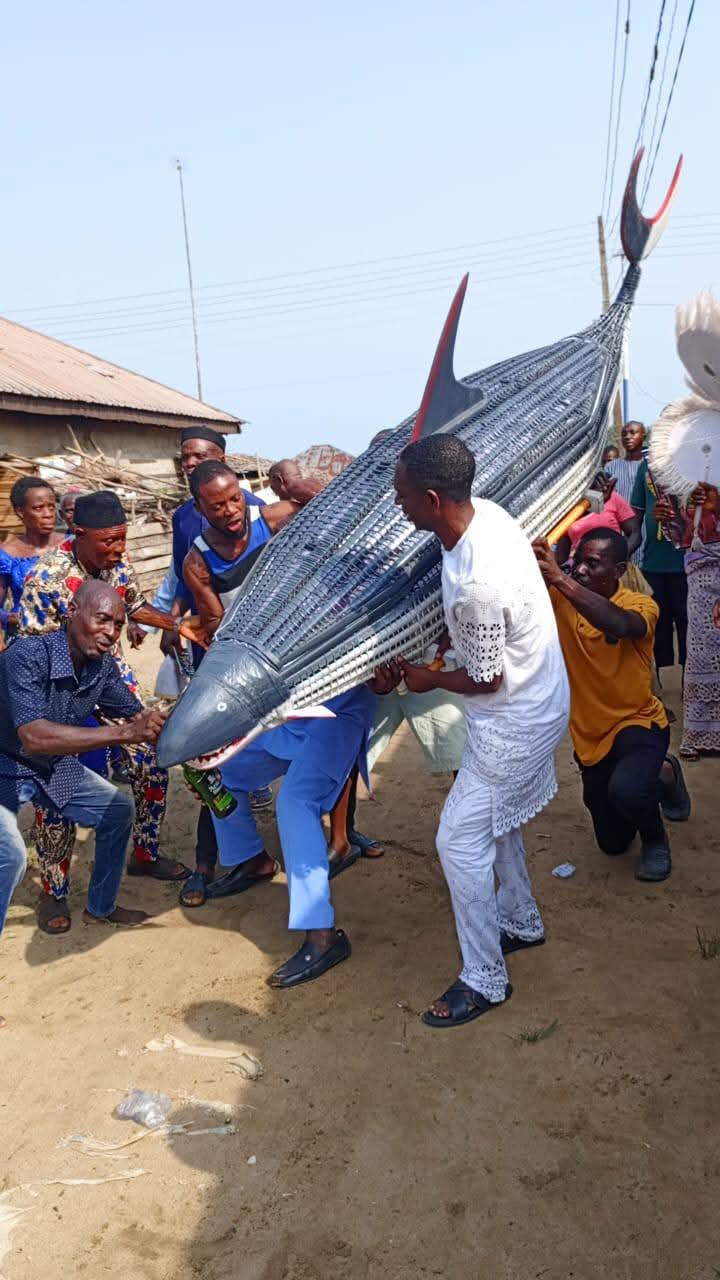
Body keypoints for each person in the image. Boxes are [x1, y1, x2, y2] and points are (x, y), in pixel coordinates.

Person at [388, 435, 569, 1029]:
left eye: (405, 495)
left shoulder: (475, 582)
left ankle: (485, 978)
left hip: (515, 718)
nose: (398, 503)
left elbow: (486, 679)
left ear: (435, 499)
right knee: (495, 818)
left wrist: (425, 677)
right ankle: (520, 920)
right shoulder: (487, 514)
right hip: (540, 694)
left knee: (457, 839)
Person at [19, 491, 195, 923]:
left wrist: (179, 624)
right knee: (55, 789)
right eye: (110, 541)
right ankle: (54, 892)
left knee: (152, 757)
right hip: (57, 688)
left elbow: (134, 605)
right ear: (80, 533)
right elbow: (32, 651)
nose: (118, 549)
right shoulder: (47, 580)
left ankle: (144, 853)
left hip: (109, 676)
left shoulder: (116, 563)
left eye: (122, 540)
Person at [179, 460, 321, 905]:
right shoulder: (198, 564)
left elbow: (332, 507)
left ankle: (341, 837)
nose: (231, 511)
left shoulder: (276, 519)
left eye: (235, 498)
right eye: (217, 505)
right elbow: (221, 631)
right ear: (199, 509)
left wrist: (298, 486)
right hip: (257, 675)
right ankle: (250, 859)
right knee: (215, 771)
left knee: (325, 749)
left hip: (308, 663)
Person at [0, 581, 163, 939]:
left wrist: (178, 720)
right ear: (72, 612)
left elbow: (137, 714)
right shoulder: (26, 655)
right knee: (10, 858)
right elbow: (34, 736)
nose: (110, 633)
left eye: (118, 625)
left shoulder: (100, 667)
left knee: (117, 812)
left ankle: (100, 908)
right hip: (6, 769)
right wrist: (126, 733)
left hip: (47, 769)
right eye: (102, 619)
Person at [533, 529, 690, 883]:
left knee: (628, 790)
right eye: (577, 562)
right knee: (613, 843)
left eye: (593, 563)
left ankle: (655, 840)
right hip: (591, 734)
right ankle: (664, 772)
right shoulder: (559, 599)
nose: (581, 570)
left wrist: (559, 577)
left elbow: (619, 624)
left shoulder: (640, 605)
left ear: (619, 569)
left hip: (638, 722)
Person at [208, 685, 377, 987]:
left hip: (338, 713)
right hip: (286, 711)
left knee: (295, 802)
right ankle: (253, 860)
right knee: (221, 767)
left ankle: (322, 935)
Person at [655, 483, 720, 758]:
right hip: (699, 571)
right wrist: (668, 519)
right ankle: (700, 732)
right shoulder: (681, 477)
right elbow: (680, 533)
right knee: (702, 650)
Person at [631, 458, 688, 677]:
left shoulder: (692, 462)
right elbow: (635, 518)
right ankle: (667, 686)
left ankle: (688, 685)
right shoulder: (647, 466)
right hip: (653, 563)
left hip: (688, 563)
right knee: (659, 628)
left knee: (688, 626)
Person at [0, 477, 65, 641]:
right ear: (20, 511)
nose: (48, 514)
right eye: (38, 508)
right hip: (26, 643)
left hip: (71, 642)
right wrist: (9, 618)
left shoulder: (70, 546)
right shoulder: (7, 555)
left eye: (51, 507)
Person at [555, 471, 639, 566]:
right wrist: (563, 571)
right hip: (579, 568)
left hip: (611, 570)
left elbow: (635, 533)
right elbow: (563, 544)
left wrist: (618, 559)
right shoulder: (568, 505)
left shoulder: (612, 497)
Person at [605, 420, 647, 568]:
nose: (628, 437)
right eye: (624, 434)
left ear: (643, 436)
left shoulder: (651, 467)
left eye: (632, 433)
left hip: (647, 532)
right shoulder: (611, 467)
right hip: (620, 534)